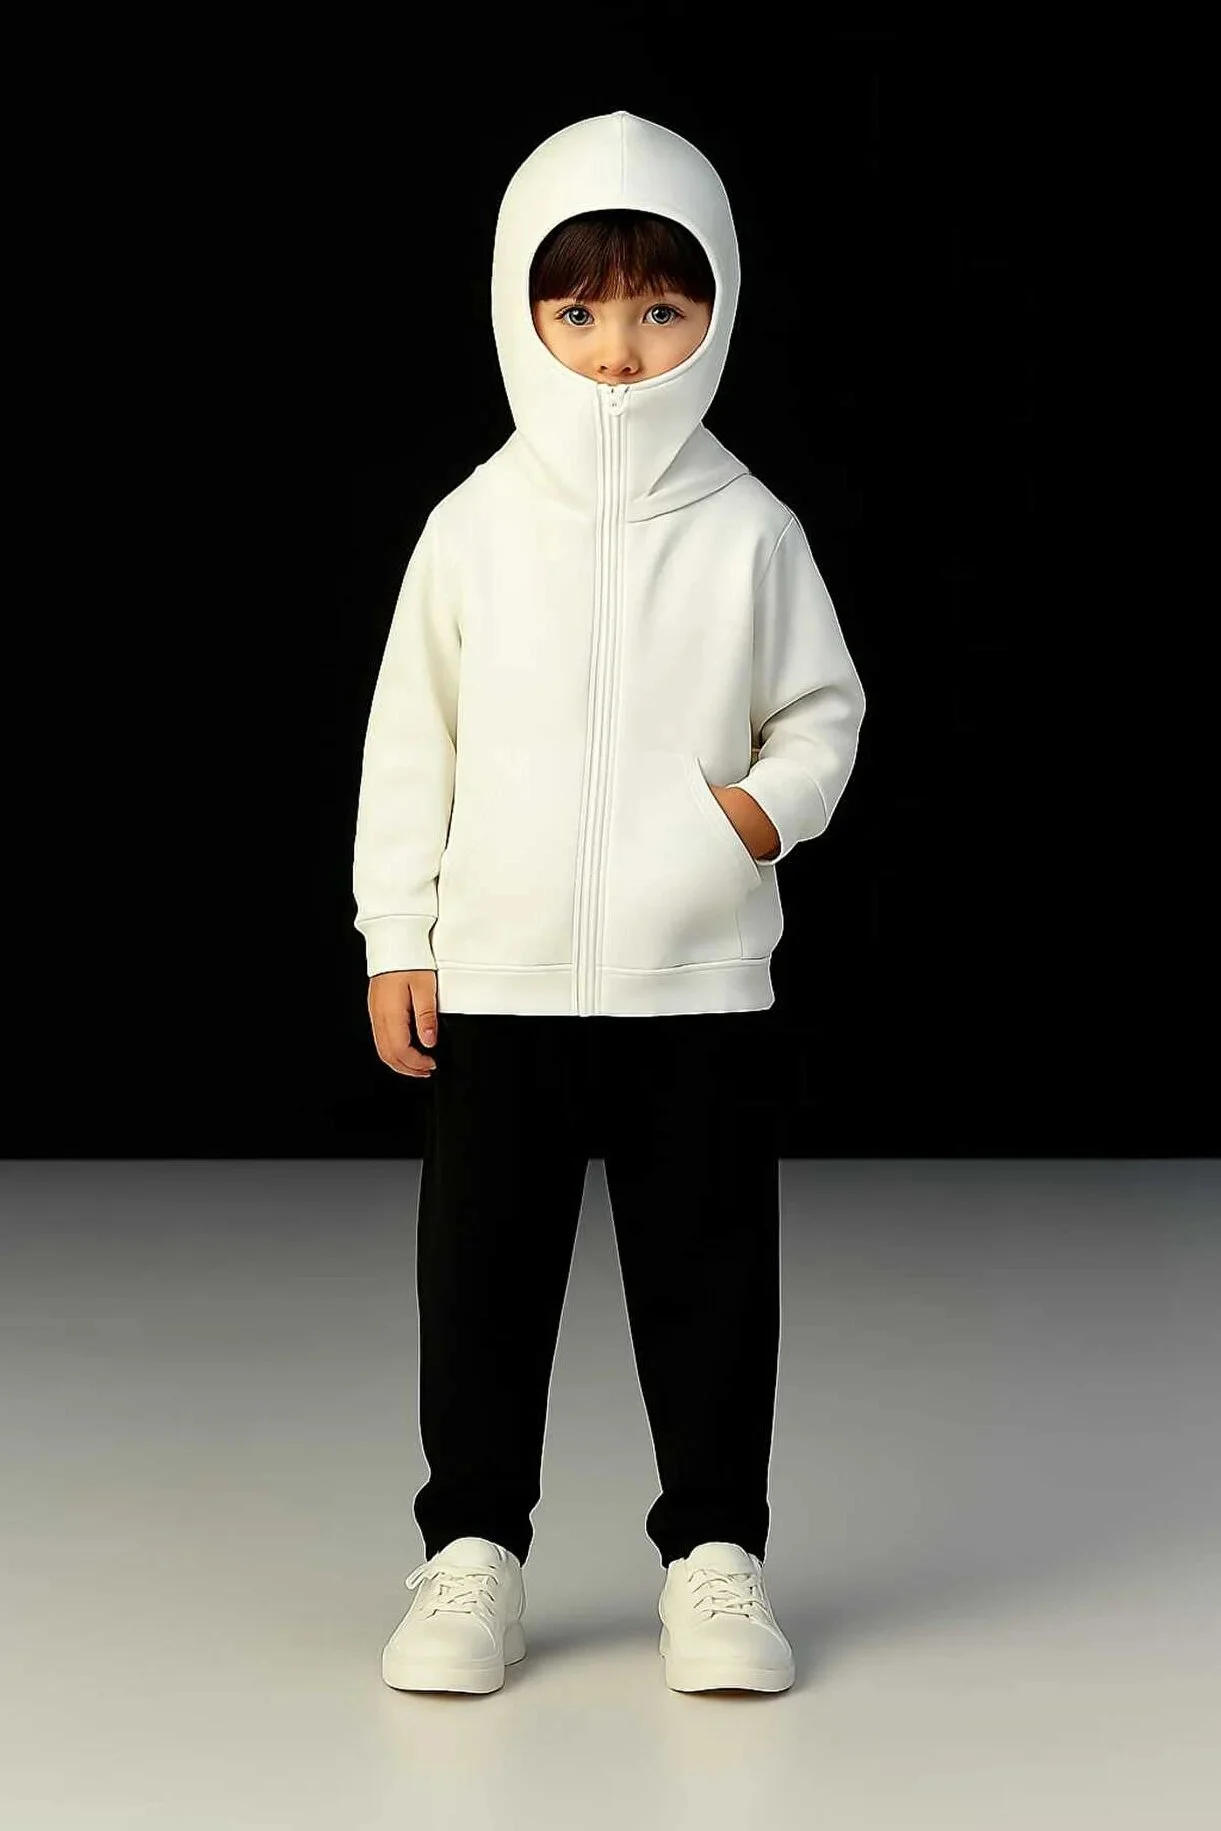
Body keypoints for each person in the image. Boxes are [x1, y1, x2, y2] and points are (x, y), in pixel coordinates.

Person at [352, 111, 866, 1696]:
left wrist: (747, 823)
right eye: (576, 309)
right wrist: (399, 935)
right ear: (520, 306)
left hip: (693, 980)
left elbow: (823, 712)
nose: (619, 351)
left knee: (708, 1280)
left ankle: (715, 1558)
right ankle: (471, 1553)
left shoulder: (750, 529)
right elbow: (410, 740)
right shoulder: (473, 529)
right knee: (480, 1283)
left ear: (720, 311)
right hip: (499, 980)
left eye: (660, 307)